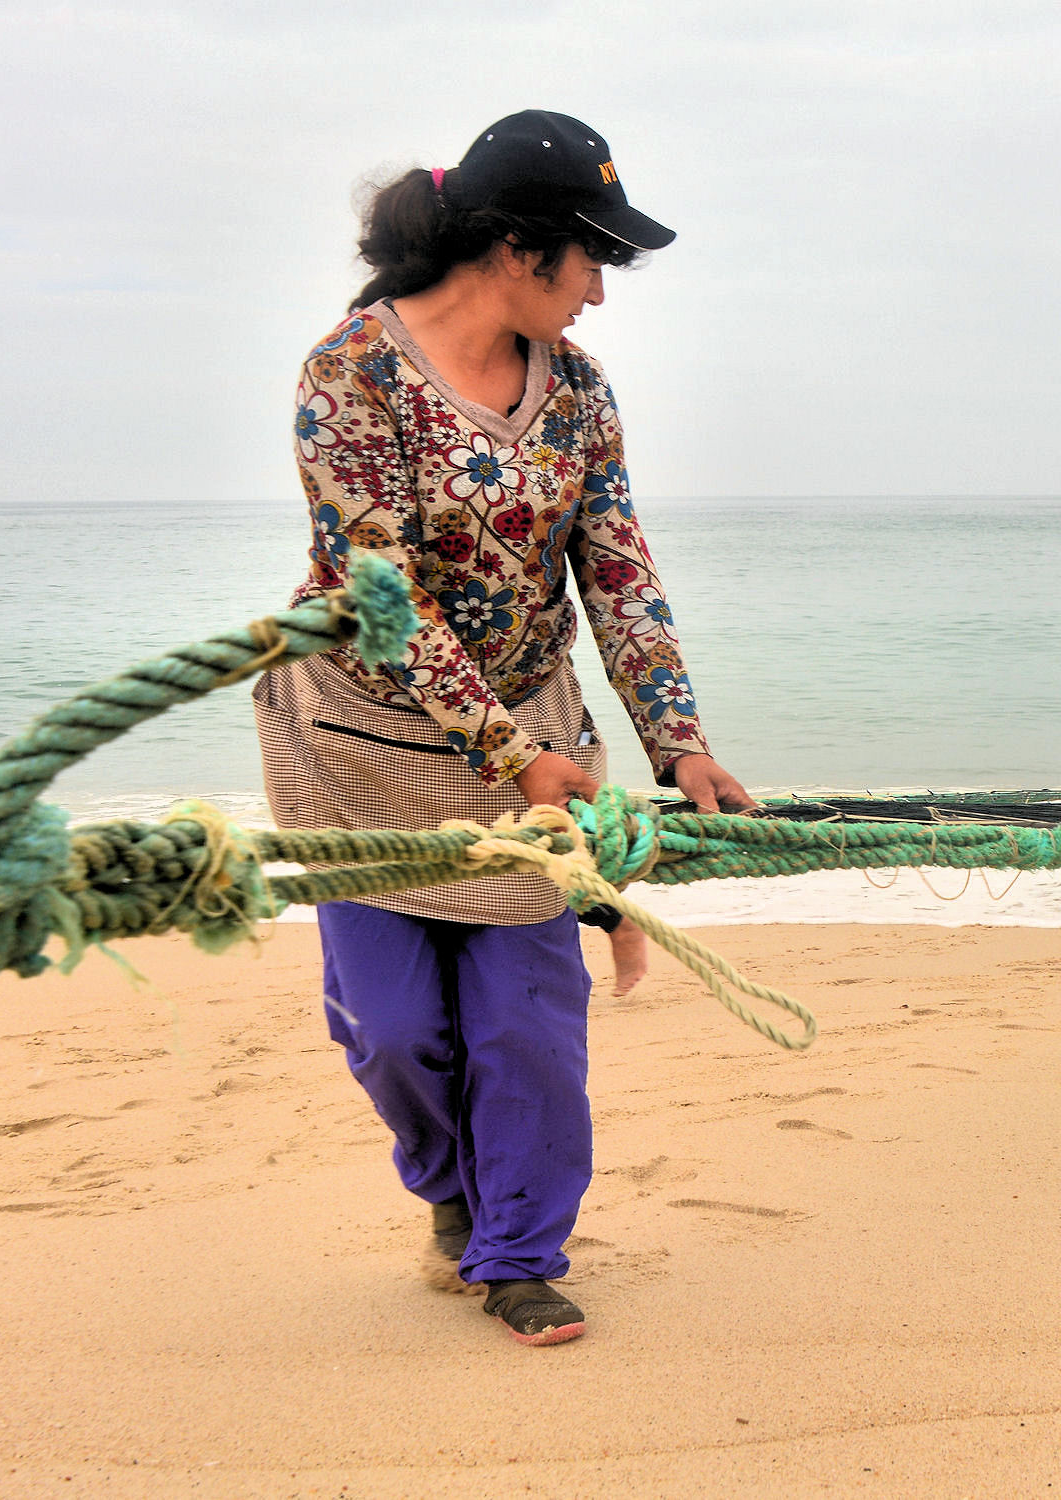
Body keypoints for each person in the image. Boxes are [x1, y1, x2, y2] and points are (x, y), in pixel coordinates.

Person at [253, 110, 752, 1347]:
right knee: (396, 1034)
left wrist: (677, 741)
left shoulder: (578, 392)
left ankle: (519, 1254)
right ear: (518, 250)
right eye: (592, 261)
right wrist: (515, 756)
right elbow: (382, 597)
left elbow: (619, 573)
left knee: (524, 1028)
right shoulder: (349, 376)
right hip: (358, 750)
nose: (598, 293)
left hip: (531, 741)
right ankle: (450, 1196)